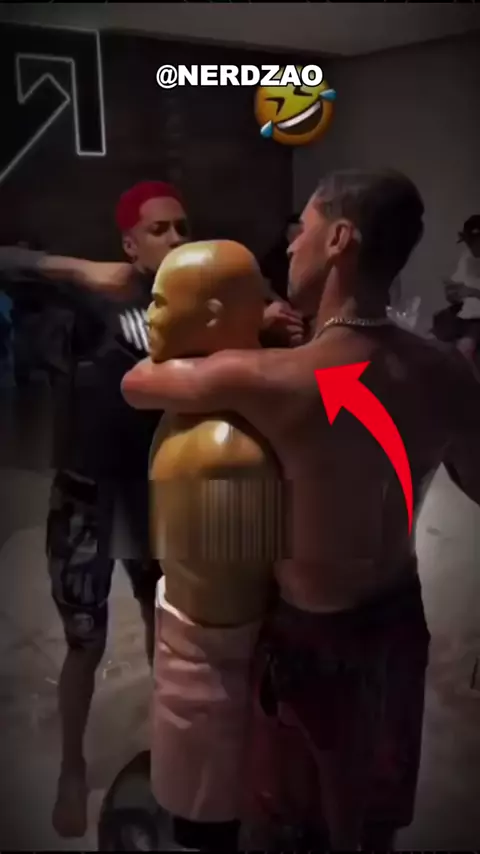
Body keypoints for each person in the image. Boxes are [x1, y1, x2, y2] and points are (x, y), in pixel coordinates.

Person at [121, 168, 480, 851]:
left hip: (313, 640)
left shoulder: (277, 379)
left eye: (304, 231)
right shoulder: (446, 371)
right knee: (372, 818)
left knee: (287, 826)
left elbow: (141, 382)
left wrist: (253, 336)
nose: (290, 246)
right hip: (399, 621)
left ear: (340, 240)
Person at [0, 182, 305, 839]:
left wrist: (266, 325)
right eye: (159, 229)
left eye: (182, 227)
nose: (175, 239)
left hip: (154, 493)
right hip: (86, 493)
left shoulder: (193, 305)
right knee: (84, 643)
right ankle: (72, 768)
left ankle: (168, 752)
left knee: (164, 627)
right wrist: (80, 270)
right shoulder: (99, 294)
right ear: (129, 244)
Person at [440, 215, 480, 362]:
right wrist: (453, 294)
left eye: (473, 242)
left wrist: (472, 292)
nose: (469, 247)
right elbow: (459, 284)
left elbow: (470, 290)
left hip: (477, 322)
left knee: (465, 349)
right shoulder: (467, 258)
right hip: (466, 316)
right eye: (468, 242)